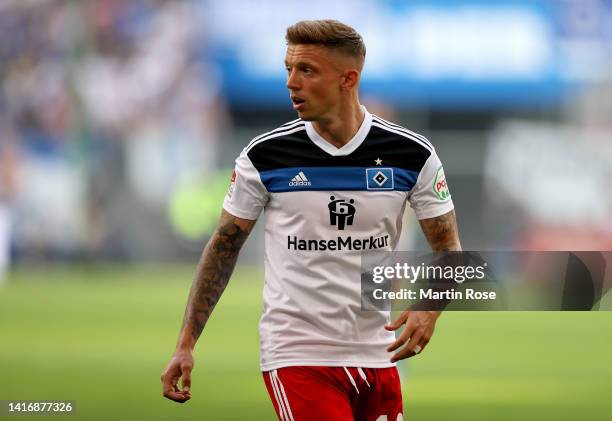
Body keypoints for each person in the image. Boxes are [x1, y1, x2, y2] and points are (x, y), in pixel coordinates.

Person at [161, 19, 461, 420]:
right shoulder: (265, 157)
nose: (291, 83)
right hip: (298, 355)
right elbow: (224, 245)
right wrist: (186, 342)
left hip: (378, 355)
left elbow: (449, 249)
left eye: (306, 70)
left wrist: (429, 307)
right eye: (288, 68)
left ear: (347, 79)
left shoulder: (412, 155)